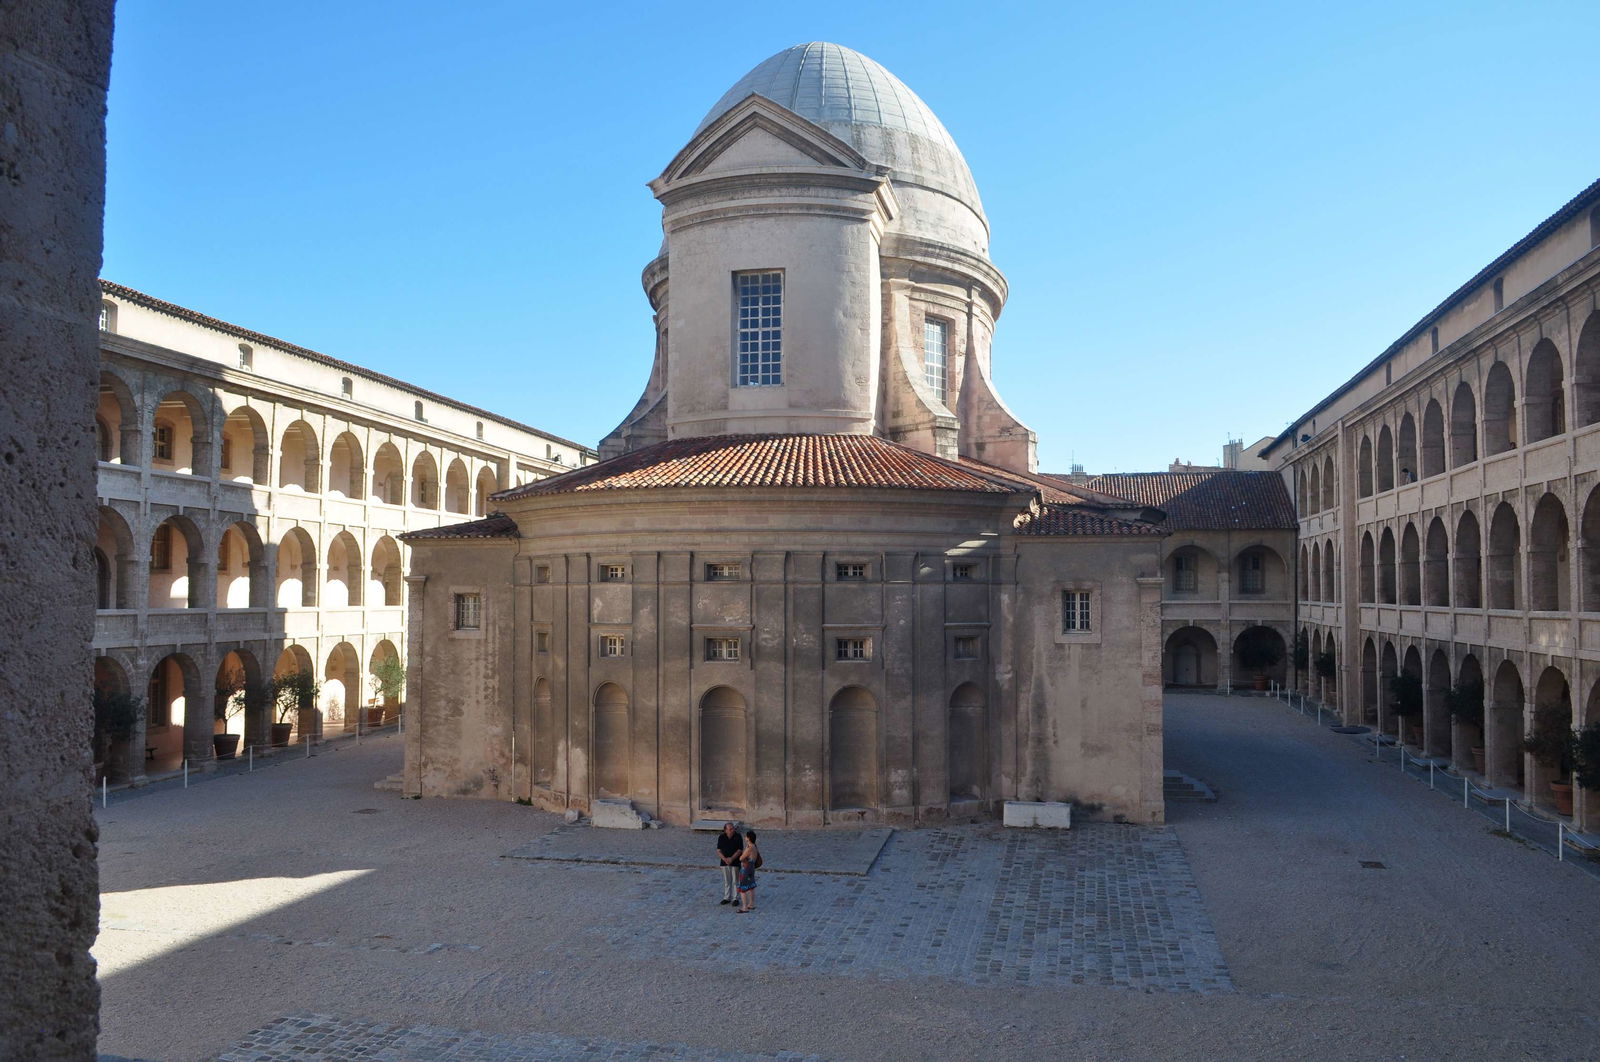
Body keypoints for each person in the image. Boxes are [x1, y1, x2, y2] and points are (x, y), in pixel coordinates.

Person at [715, 822, 743, 906]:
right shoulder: (721, 837)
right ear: (725, 830)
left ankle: (735, 898)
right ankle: (726, 897)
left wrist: (731, 858)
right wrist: (724, 859)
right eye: (730, 829)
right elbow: (718, 850)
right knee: (727, 881)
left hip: (735, 862)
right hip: (724, 862)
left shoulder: (738, 836)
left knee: (735, 881)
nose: (732, 830)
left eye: (732, 828)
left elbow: (740, 850)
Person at [736, 829, 760, 913]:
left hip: (746, 868)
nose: (745, 837)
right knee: (751, 886)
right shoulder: (754, 846)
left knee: (742, 888)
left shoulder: (750, 847)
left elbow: (741, 858)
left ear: (749, 838)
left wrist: (743, 855)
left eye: (746, 836)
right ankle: (751, 904)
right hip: (751, 868)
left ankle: (744, 907)